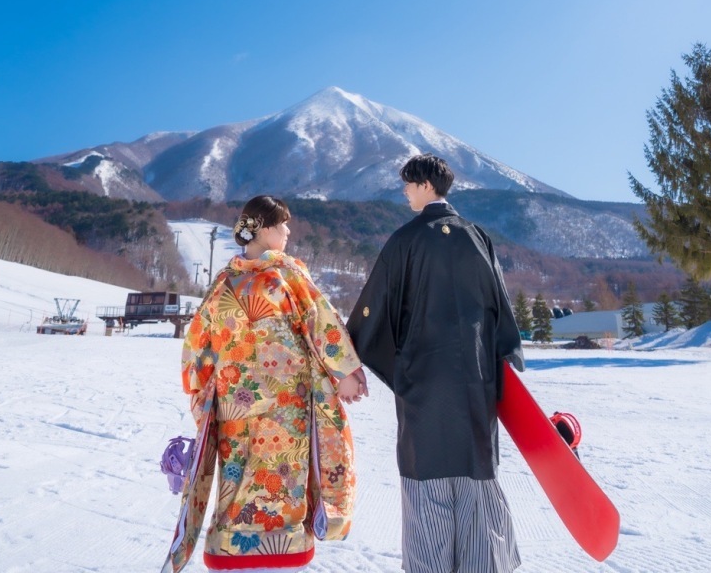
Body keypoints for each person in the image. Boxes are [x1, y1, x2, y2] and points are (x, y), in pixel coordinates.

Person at [347, 154, 524, 573]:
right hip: (475, 388)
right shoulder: (475, 235)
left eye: (408, 184)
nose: (405, 191)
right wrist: (505, 360)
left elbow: (373, 312)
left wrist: (350, 361)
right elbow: (499, 308)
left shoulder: (405, 240)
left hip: (423, 387)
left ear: (426, 185)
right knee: (476, 479)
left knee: (426, 489)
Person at [177, 195, 368, 571]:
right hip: (284, 406)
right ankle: (282, 550)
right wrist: (344, 372)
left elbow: (198, 344)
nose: (288, 231)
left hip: (237, 406)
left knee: (241, 478)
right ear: (263, 229)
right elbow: (320, 322)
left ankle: (233, 547)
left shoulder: (223, 283)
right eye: (283, 225)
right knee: (279, 477)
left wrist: (200, 391)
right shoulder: (287, 274)